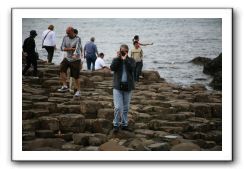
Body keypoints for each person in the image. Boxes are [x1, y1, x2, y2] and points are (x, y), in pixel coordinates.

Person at [110, 44, 135, 132]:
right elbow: (112, 68)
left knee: (126, 107)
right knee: (117, 107)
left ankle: (124, 124)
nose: (123, 53)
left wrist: (126, 60)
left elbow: (132, 69)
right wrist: (118, 58)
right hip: (117, 87)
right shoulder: (116, 60)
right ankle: (116, 124)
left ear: (127, 52)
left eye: (125, 51)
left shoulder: (131, 60)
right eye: (122, 51)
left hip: (128, 87)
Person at [57, 27, 82, 97]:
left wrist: (75, 54)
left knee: (76, 76)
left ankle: (78, 91)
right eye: (66, 33)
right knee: (61, 69)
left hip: (75, 59)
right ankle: (65, 86)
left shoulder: (78, 39)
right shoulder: (65, 37)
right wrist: (70, 49)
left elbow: (77, 48)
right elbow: (62, 48)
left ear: (73, 32)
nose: (67, 34)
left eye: (68, 33)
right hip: (67, 58)